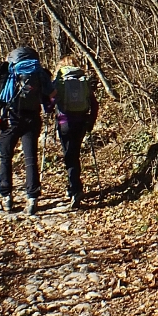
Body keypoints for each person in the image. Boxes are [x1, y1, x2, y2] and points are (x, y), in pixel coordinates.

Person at [0, 45, 55, 215]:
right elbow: (52, 93)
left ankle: (6, 197)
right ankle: (32, 198)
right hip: (32, 118)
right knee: (31, 158)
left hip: (10, 119)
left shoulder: (6, 70)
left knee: (5, 158)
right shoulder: (38, 71)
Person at [50, 55, 99, 209]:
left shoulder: (59, 81)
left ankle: (74, 189)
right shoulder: (82, 80)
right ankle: (75, 187)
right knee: (74, 154)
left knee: (69, 156)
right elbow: (94, 105)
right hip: (81, 122)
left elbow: (50, 103)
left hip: (65, 123)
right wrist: (90, 122)